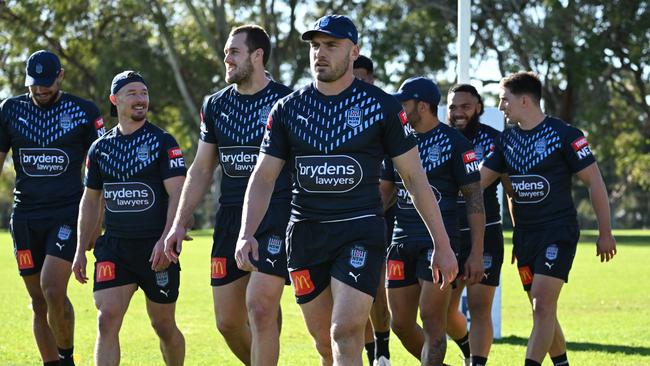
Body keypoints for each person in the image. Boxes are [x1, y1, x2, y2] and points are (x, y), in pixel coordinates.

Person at [235, 15, 457, 366]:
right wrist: (247, 233)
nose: (320, 53)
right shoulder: (288, 109)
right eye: (315, 46)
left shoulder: (381, 107)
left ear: (353, 51)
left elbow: (415, 179)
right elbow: (263, 177)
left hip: (360, 232)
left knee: (345, 331)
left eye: (331, 45)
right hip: (305, 235)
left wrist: (442, 245)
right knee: (326, 344)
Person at [163, 25, 292, 366]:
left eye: (233, 52)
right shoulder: (215, 105)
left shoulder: (287, 102)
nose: (227, 59)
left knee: (261, 307)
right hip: (230, 218)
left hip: (275, 216)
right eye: (226, 53)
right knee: (228, 322)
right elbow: (202, 169)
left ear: (257, 55)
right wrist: (178, 223)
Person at [481, 72, 617, 366]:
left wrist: (605, 232)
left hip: (558, 231)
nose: (501, 106)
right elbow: (479, 181)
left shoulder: (566, 135)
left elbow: (594, 182)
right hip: (526, 237)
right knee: (541, 308)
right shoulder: (506, 141)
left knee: (542, 303)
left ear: (525, 100)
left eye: (505, 99)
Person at [71, 71, 187, 366]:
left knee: (163, 325)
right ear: (115, 100)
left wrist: (166, 239)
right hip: (115, 248)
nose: (140, 99)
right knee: (106, 319)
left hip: (155, 249)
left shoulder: (163, 142)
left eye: (144, 93)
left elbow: (178, 194)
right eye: (132, 93)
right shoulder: (100, 149)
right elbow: (91, 199)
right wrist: (80, 250)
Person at [0, 50, 105, 366]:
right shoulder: (9, 110)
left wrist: (96, 222)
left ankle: (66, 357)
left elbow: (101, 170)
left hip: (67, 214)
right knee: (38, 301)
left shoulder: (84, 112)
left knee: (51, 287)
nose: (41, 90)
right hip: (25, 219)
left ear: (60, 76)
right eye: (35, 85)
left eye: (47, 83)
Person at [380, 77, 484, 366]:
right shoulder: (396, 141)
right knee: (399, 323)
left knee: (431, 318)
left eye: (404, 103)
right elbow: (384, 194)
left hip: (440, 243)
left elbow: (475, 202)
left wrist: (476, 253)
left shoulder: (456, 143)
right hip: (400, 242)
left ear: (422, 106)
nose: (399, 109)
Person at [446, 84, 504, 366]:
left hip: (487, 232)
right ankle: (467, 348)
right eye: (453, 107)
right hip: (448, 234)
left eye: (465, 106)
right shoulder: (437, 138)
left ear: (478, 107)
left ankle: (478, 363)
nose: (458, 113)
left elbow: (508, 190)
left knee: (481, 307)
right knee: (443, 312)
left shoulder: (494, 141)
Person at [353, 54, 392, 366]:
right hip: (345, 217)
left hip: (383, 214)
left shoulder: (384, 110)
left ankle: (382, 349)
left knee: (377, 290)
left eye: (363, 76)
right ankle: (370, 354)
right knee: (353, 288)